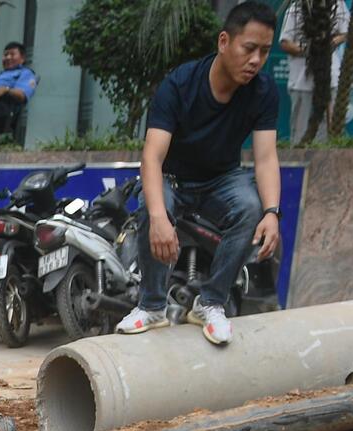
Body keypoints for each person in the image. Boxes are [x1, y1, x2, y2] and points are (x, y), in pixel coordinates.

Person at [117, 1, 283, 346]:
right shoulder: (179, 84)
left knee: (250, 207)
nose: (256, 60)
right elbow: (151, 156)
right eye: (249, 48)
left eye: (265, 52)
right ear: (224, 42)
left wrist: (272, 212)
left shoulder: (264, 91)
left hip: (222, 179)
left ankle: (210, 303)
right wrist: (159, 216)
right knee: (153, 201)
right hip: (173, 177)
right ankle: (151, 305)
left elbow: (266, 158)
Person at [277, 0, 349, 140]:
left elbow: (346, 31)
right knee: (300, 133)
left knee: (329, 133)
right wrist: (310, 49)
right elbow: (285, 43)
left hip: (330, 78)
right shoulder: (296, 8)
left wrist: (331, 42)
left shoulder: (337, 4)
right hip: (301, 83)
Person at [0, 42, 38, 138]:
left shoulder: (25, 73)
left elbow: (22, 94)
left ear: (22, 58)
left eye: (12, 54)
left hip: (1, 109)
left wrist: (6, 89)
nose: (8, 57)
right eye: (5, 55)